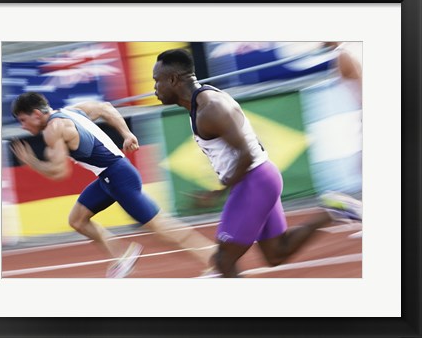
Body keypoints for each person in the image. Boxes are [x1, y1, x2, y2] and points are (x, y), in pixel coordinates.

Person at [152, 48, 361, 278]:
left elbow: (246, 155)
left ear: (173, 79)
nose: (155, 89)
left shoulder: (210, 108)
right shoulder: (201, 104)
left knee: (223, 261)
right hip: (261, 178)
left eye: (157, 81)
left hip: (254, 181)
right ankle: (332, 211)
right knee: (276, 254)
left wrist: (217, 192)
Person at [10, 92, 215, 278]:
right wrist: (126, 134)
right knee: (78, 220)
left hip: (117, 178)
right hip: (109, 176)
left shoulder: (53, 129)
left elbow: (59, 172)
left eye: (23, 120)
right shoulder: (73, 111)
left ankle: (215, 262)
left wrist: (32, 162)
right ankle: (122, 254)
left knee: (161, 227)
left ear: (36, 114)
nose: (22, 126)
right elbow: (106, 107)